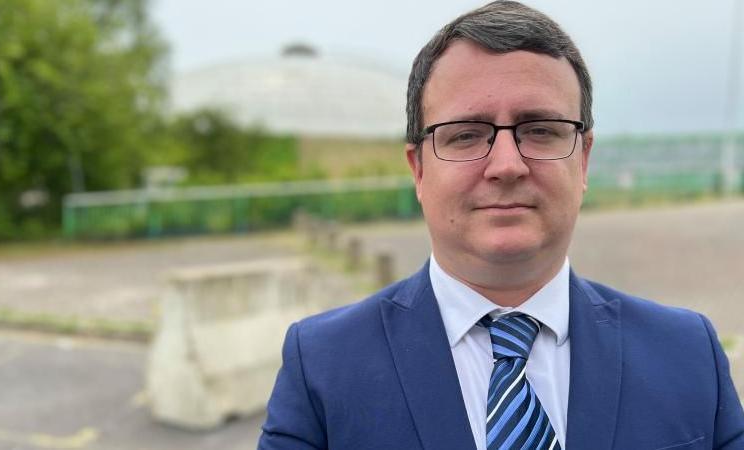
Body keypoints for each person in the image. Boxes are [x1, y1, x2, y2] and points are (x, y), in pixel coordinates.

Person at [258, 1, 744, 449]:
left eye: (540, 130)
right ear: (418, 169)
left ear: (585, 160)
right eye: (467, 135)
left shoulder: (688, 354)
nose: (506, 164)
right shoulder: (322, 366)